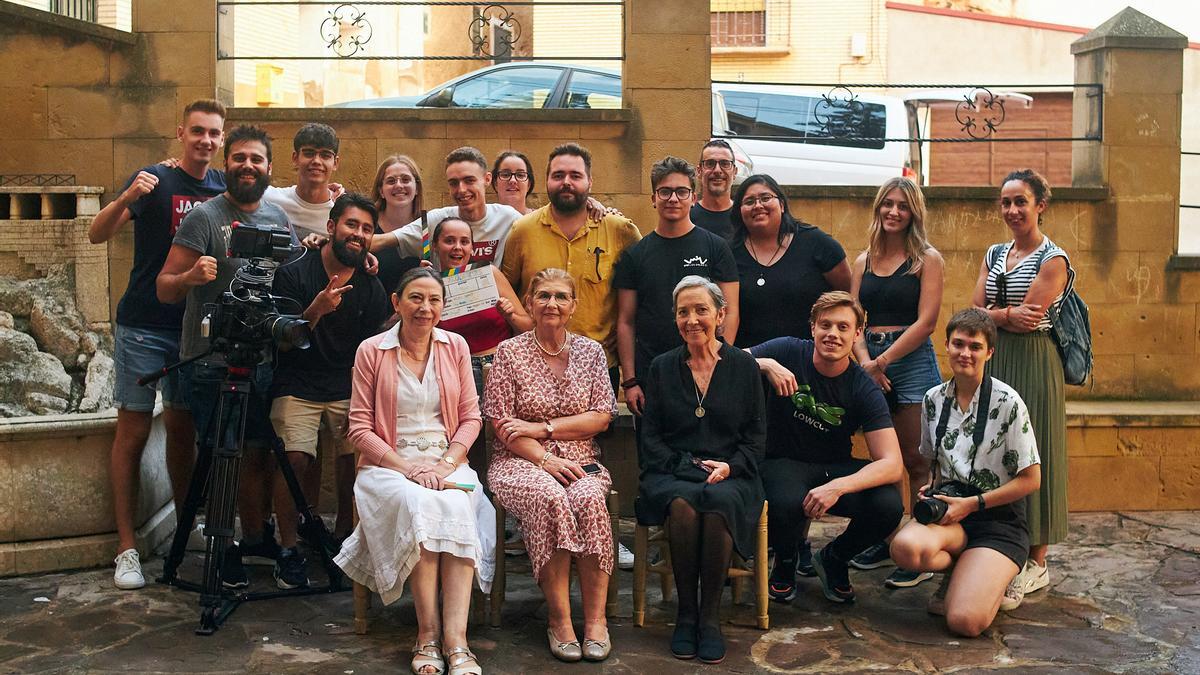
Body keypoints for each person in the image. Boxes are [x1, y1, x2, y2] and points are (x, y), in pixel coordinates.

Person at [91, 98, 226, 590]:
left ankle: (185, 525)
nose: (205, 140)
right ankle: (126, 547)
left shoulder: (223, 187)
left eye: (213, 133)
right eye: (197, 131)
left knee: (182, 430)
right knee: (132, 432)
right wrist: (126, 197)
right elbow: (95, 235)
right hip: (143, 326)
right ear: (181, 132)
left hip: (192, 330)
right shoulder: (154, 180)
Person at [336, 267, 495, 675]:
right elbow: (359, 427)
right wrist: (408, 468)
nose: (425, 308)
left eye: (434, 300)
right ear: (397, 302)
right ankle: (427, 634)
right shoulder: (371, 350)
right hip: (388, 464)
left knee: (456, 507)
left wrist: (445, 463)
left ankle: (456, 641)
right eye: (416, 298)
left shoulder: (455, 346)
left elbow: (471, 419)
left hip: (447, 460)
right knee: (421, 502)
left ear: (444, 306)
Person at [157, 125, 296, 586]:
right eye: (239, 158)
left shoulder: (278, 219)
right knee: (220, 456)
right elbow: (164, 287)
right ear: (227, 164)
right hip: (210, 360)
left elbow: (293, 280)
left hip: (260, 359)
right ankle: (223, 548)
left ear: (269, 169)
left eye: (257, 159)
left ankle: (256, 538)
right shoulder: (203, 218)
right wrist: (192, 276)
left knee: (256, 455)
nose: (248, 166)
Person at [484, 269, 618, 663]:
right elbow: (503, 427)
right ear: (528, 302)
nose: (552, 304)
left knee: (590, 498)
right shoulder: (510, 353)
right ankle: (560, 621)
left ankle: (595, 622)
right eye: (543, 295)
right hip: (519, 461)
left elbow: (601, 417)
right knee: (549, 498)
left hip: (580, 460)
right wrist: (544, 455)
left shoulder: (592, 353)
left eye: (561, 296)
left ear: (574, 306)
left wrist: (543, 427)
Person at [636, 276, 766, 664]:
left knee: (718, 504)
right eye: (683, 312)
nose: (692, 319)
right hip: (672, 470)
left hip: (732, 472)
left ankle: (710, 618)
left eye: (701, 310)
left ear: (720, 315)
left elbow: (756, 437)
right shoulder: (661, 367)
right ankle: (685, 613)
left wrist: (731, 465)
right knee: (683, 505)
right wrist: (685, 465)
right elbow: (651, 436)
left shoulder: (744, 367)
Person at [889, 308, 1041, 636]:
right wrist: (931, 489)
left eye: (975, 346)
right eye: (958, 344)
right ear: (946, 345)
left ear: (989, 352)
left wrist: (973, 504)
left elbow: (1032, 479)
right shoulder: (933, 400)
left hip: (999, 521)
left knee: (964, 622)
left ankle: (999, 574)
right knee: (904, 549)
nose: (965, 353)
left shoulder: (1008, 402)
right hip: (952, 514)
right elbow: (934, 465)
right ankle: (963, 570)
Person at [267, 193, 391, 589]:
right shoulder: (295, 272)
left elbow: (375, 340)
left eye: (367, 229)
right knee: (294, 460)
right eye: (352, 225)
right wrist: (316, 309)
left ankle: (344, 540)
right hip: (297, 381)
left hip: (346, 383)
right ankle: (287, 548)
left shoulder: (371, 285)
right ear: (331, 226)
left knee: (356, 457)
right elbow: (282, 340)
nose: (359, 234)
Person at [748, 291, 903, 605]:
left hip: (834, 466)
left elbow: (892, 463)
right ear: (813, 328)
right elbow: (723, 358)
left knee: (889, 504)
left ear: (857, 333)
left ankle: (835, 557)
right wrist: (764, 364)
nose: (833, 334)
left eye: (843, 327)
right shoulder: (787, 351)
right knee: (786, 499)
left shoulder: (862, 387)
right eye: (826, 325)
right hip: (783, 461)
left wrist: (838, 487)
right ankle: (787, 559)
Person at [971, 168, 1070, 605]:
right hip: (995, 357)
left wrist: (999, 314)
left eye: (1021, 202)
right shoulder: (994, 252)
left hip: (1033, 358)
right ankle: (1001, 543)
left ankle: (1037, 560)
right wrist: (1003, 316)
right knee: (995, 448)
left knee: (1034, 448)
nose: (1012, 210)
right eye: (1006, 202)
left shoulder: (1054, 258)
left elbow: (1033, 314)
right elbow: (974, 310)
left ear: (1040, 206)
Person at [847, 177, 945, 589]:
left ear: (913, 213)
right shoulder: (862, 261)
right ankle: (885, 539)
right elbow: (851, 317)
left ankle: (917, 543)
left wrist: (883, 359)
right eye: (887, 204)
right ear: (878, 208)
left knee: (916, 459)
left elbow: (927, 322)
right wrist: (867, 361)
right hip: (869, 360)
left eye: (902, 206)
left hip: (910, 363)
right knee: (882, 461)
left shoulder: (927, 259)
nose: (893, 212)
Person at [614, 156, 740, 422]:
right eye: (665, 191)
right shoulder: (635, 255)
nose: (673, 198)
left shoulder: (716, 248)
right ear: (653, 198)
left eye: (681, 191)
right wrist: (630, 381)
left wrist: (721, 363)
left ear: (693, 197)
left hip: (706, 369)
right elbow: (625, 321)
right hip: (652, 376)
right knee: (654, 454)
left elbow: (730, 310)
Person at [501, 143, 642, 374]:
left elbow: (642, 288)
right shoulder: (522, 231)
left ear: (590, 182)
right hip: (533, 365)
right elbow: (507, 292)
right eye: (558, 175)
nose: (566, 182)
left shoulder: (620, 230)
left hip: (599, 365)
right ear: (547, 180)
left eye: (575, 175)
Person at [730, 174, 850, 348]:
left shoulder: (816, 243)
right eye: (749, 201)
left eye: (765, 198)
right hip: (750, 362)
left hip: (809, 361)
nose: (758, 205)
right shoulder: (729, 253)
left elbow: (848, 296)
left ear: (782, 205)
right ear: (739, 211)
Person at [369, 146, 520, 269]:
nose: (461, 189)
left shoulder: (509, 218)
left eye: (469, 180)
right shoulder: (434, 220)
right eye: (454, 183)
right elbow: (381, 241)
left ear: (487, 179)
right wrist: (360, 253)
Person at [433, 216, 532, 394]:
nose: (457, 247)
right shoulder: (430, 284)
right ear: (435, 245)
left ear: (472, 248)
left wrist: (511, 316)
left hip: (499, 365)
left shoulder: (490, 274)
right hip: (453, 370)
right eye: (449, 241)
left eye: (464, 241)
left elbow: (529, 327)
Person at [263, 122, 343, 241]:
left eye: (325, 155)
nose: (316, 161)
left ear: (335, 163)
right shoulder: (268, 199)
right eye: (309, 153)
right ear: (295, 158)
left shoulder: (342, 213)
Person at [369, 155, 425, 298]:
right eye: (391, 181)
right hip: (372, 315)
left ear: (417, 188)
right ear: (381, 190)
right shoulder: (366, 224)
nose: (399, 185)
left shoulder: (428, 224)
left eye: (405, 180)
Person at [689, 139, 737, 239]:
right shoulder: (686, 217)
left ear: (735, 172)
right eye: (710, 163)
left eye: (725, 164)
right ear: (699, 171)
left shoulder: (744, 216)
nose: (717, 170)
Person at [491, 150, 536, 215]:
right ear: (495, 183)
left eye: (520, 175)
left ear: (528, 184)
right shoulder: (484, 222)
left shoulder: (541, 221)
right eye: (505, 175)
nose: (513, 180)